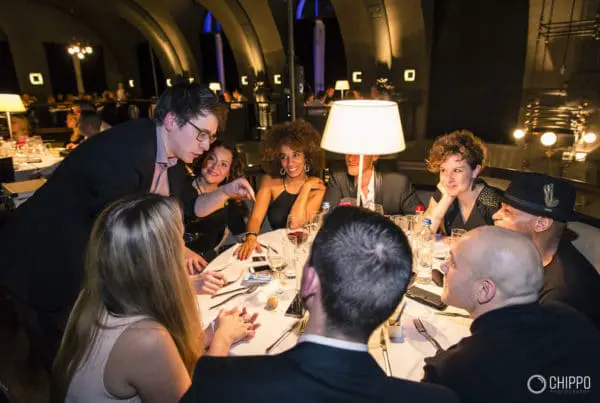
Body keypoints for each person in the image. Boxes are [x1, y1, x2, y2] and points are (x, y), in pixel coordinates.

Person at [0, 83, 255, 368]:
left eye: (210, 137)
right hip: (46, 259)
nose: (206, 146)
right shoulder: (125, 155)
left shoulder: (170, 156)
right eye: (202, 134)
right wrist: (179, 284)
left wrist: (225, 192)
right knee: (67, 357)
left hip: (81, 257)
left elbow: (187, 208)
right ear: (172, 120)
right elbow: (122, 245)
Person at [181, 207, 460, 403]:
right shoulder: (437, 399)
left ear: (309, 281)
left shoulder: (222, 380)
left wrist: (221, 339)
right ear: (393, 305)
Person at [52, 195, 259, 403]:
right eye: (180, 239)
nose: (184, 248)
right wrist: (223, 339)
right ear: (162, 260)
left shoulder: (97, 299)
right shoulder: (145, 338)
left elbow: (166, 359)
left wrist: (211, 333)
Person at [422, 226, 600, 403]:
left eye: (453, 263)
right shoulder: (572, 318)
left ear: (484, 290)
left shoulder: (457, 370)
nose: (443, 266)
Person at [493, 172, 600, 329]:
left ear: (541, 224)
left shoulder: (561, 293)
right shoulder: (537, 255)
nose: (495, 215)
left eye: (507, 212)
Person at [235, 119, 325, 260]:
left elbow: (295, 225)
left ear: (307, 157)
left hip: (303, 252)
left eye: (296, 155)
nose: (290, 163)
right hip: (276, 250)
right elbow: (256, 217)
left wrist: (306, 187)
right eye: (284, 157)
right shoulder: (270, 181)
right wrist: (251, 236)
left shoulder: (316, 187)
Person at [424, 130, 501, 235]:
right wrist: (445, 201)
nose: (448, 179)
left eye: (457, 170)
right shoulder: (443, 193)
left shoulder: (492, 203)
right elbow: (420, 235)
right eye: (443, 170)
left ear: (475, 171)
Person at [185, 140, 248, 263]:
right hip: (176, 257)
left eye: (223, 164)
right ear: (203, 159)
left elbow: (240, 232)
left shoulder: (228, 197)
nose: (215, 167)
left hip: (208, 259)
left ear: (229, 172)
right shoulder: (182, 186)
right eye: (211, 159)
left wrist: (250, 238)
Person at [324, 156, 422, 214]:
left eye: (357, 153)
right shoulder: (338, 180)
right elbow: (328, 219)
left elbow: (419, 220)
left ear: (374, 156)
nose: (350, 158)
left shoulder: (398, 183)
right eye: (347, 152)